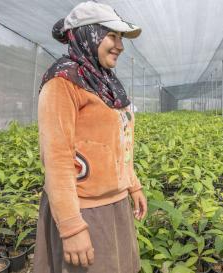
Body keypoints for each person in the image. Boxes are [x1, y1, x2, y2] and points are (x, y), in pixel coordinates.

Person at [34, 2, 147, 273]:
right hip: (85, 209)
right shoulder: (62, 82)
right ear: (88, 34)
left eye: (121, 38)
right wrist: (72, 228)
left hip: (114, 204)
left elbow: (121, 142)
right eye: (112, 35)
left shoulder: (105, 82)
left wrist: (133, 185)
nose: (120, 45)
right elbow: (58, 159)